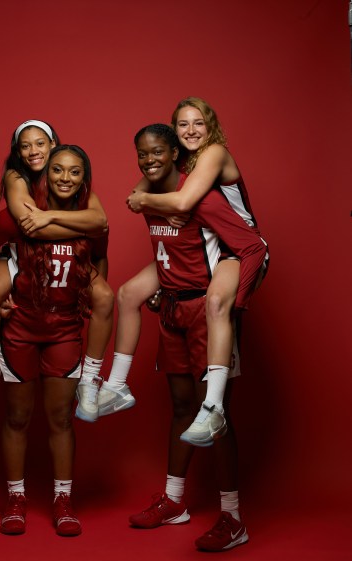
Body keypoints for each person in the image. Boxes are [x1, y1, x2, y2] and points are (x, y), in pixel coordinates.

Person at [123, 123, 267, 551]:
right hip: (173, 308)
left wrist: (231, 299)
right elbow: (173, 251)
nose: (149, 161)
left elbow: (246, 246)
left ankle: (232, 516)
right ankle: (173, 501)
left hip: (210, 309)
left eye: (157, 152)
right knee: (183, 405)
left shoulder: (200, 195)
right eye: (143, 155)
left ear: (174, 153)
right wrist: (160, 289)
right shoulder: (159, 193)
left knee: (215, 411)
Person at [99, 97, 268, 448]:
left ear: (211, 128)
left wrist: (152, 202)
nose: (191, 130)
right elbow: (137, 194)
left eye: (199, 123)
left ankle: (213, 407)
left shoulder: (214, 153)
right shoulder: (180, 162)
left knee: (217, 302)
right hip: (200, 247)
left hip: (238, 247)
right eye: (183, 124)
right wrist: (147, 198)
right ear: (174, 135)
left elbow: (179, 203)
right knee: (129, 293)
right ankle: (116, 386)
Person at [0, 144, 106, 536]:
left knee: (61, 419)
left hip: (63, 328)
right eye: (57, 170)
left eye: (74, 172)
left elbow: (101, 260)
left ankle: (63, 498)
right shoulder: (19, 216)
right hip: (21, 327)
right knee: (18, 417)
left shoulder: (90, 222)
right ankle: (16, 497)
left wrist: (89, 295)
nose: (65, 178)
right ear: (45, 175)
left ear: (85, 178)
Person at [0, 120, 113, 421]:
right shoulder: (18, 177)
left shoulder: (78, 185)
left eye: (40, 143)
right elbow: (29, 226)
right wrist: (69, 227)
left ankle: (92, 381)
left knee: (106, 297)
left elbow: (100, 223)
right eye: (25, 146)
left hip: (62, 285)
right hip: (19, 255)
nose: (33, 151)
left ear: (54, 145)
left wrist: (50, 216)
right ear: (17, 152)